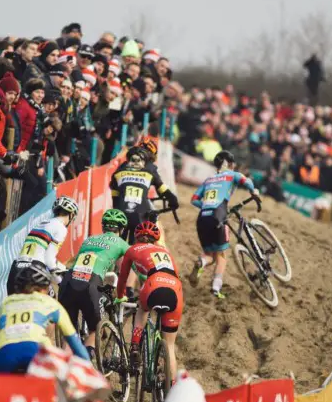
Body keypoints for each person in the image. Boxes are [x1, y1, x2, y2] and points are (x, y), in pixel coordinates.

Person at [115, 221, 183, 382]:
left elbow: (123, 277)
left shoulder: (133, 249)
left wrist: (119, 296)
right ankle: (171, 386)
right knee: (170, 346)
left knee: (142, 310)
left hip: (153, 284)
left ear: (137, 237)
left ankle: (135, 346)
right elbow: (176, 274)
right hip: (175, 289)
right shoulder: (166, 251)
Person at [0, 259, 89, 373]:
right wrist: (88, 365)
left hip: (5, 353)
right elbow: (74, 340)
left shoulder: (7, 303)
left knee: (3, 389)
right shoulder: (50, 302)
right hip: (36, 351)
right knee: (50, 387)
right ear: (44, 288)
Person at [58, 209, 130, 355]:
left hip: (69, 281)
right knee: (95, 330)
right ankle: (87, 359)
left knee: (69, 334)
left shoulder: (89, 239)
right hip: (90, 284)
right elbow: (136, 263)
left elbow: (74, 261)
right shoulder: (122, 243)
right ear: (121, 230)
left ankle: (65, 365)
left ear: (103, 227)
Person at [189, 150, 260, 299]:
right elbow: (246, 181)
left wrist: (207, 206)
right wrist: (254, 192)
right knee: (221, 255)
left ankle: (201, 262)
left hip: (202, 218)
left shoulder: (208, 180)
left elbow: (194, 199)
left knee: (209, 255)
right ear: (228, 163)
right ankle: (216, 288)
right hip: (218, 216)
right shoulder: (232, 174)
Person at [7, 196, 78, 293]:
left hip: (16, 268)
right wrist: (61, 283)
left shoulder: (41, 223)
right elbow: (49, 260)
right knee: (47, 302)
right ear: (71, 214)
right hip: (34, 269)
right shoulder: (61, 228)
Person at [109, 145, 179, 243]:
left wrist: (117, 207)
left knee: (117, 246)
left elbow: (114, 191)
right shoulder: (150, 170)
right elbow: (162, 189)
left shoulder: (120, 170)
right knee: (138, 247)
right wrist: (173, 200)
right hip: (140, 214)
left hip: (121, 213)